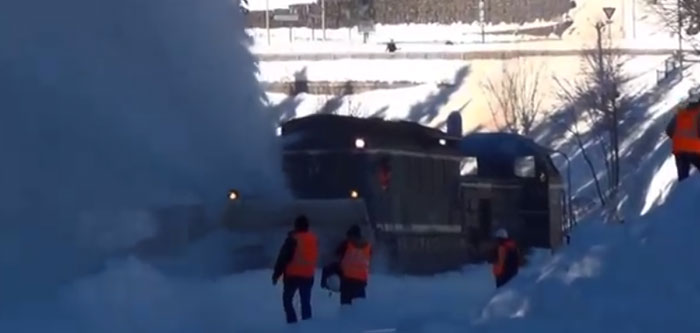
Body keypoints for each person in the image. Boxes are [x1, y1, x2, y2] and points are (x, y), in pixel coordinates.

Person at [272, 215, 318, 324]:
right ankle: (308, 325)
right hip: (308, 275)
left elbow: (283, 258)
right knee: (305, 302)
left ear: (296, 226)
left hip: (293, 275)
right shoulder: (313, 239)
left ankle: (293, 324)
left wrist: (276, 274)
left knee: (287, 301)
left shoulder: (292, 240)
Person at [666, 93, 700, 181]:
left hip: (679, 151)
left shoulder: (680, 113)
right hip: (695, 150)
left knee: (683, 179)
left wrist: (679, 139)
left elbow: (669, 130)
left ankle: (683, 193)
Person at [335, 225, 371, 305]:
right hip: (361, 281)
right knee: (359, 308)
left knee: (346, 307)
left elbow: (336, 253)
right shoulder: (368, 246)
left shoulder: (346, 244)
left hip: (348, 280)